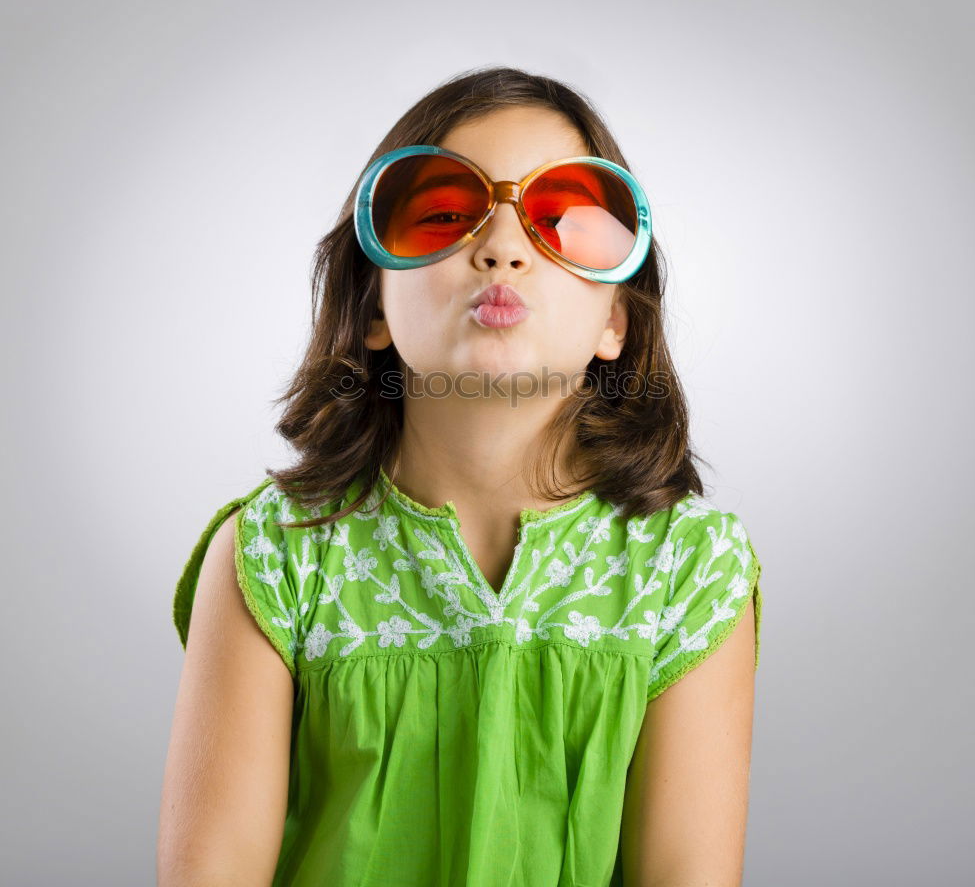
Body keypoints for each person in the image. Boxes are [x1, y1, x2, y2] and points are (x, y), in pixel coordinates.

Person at [158, 65, 763, 886]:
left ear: (615, 320)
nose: (503, 249)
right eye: (443, 213)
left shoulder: (689, 569)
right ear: (372, 306)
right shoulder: (274, 555)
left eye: (564, 223)